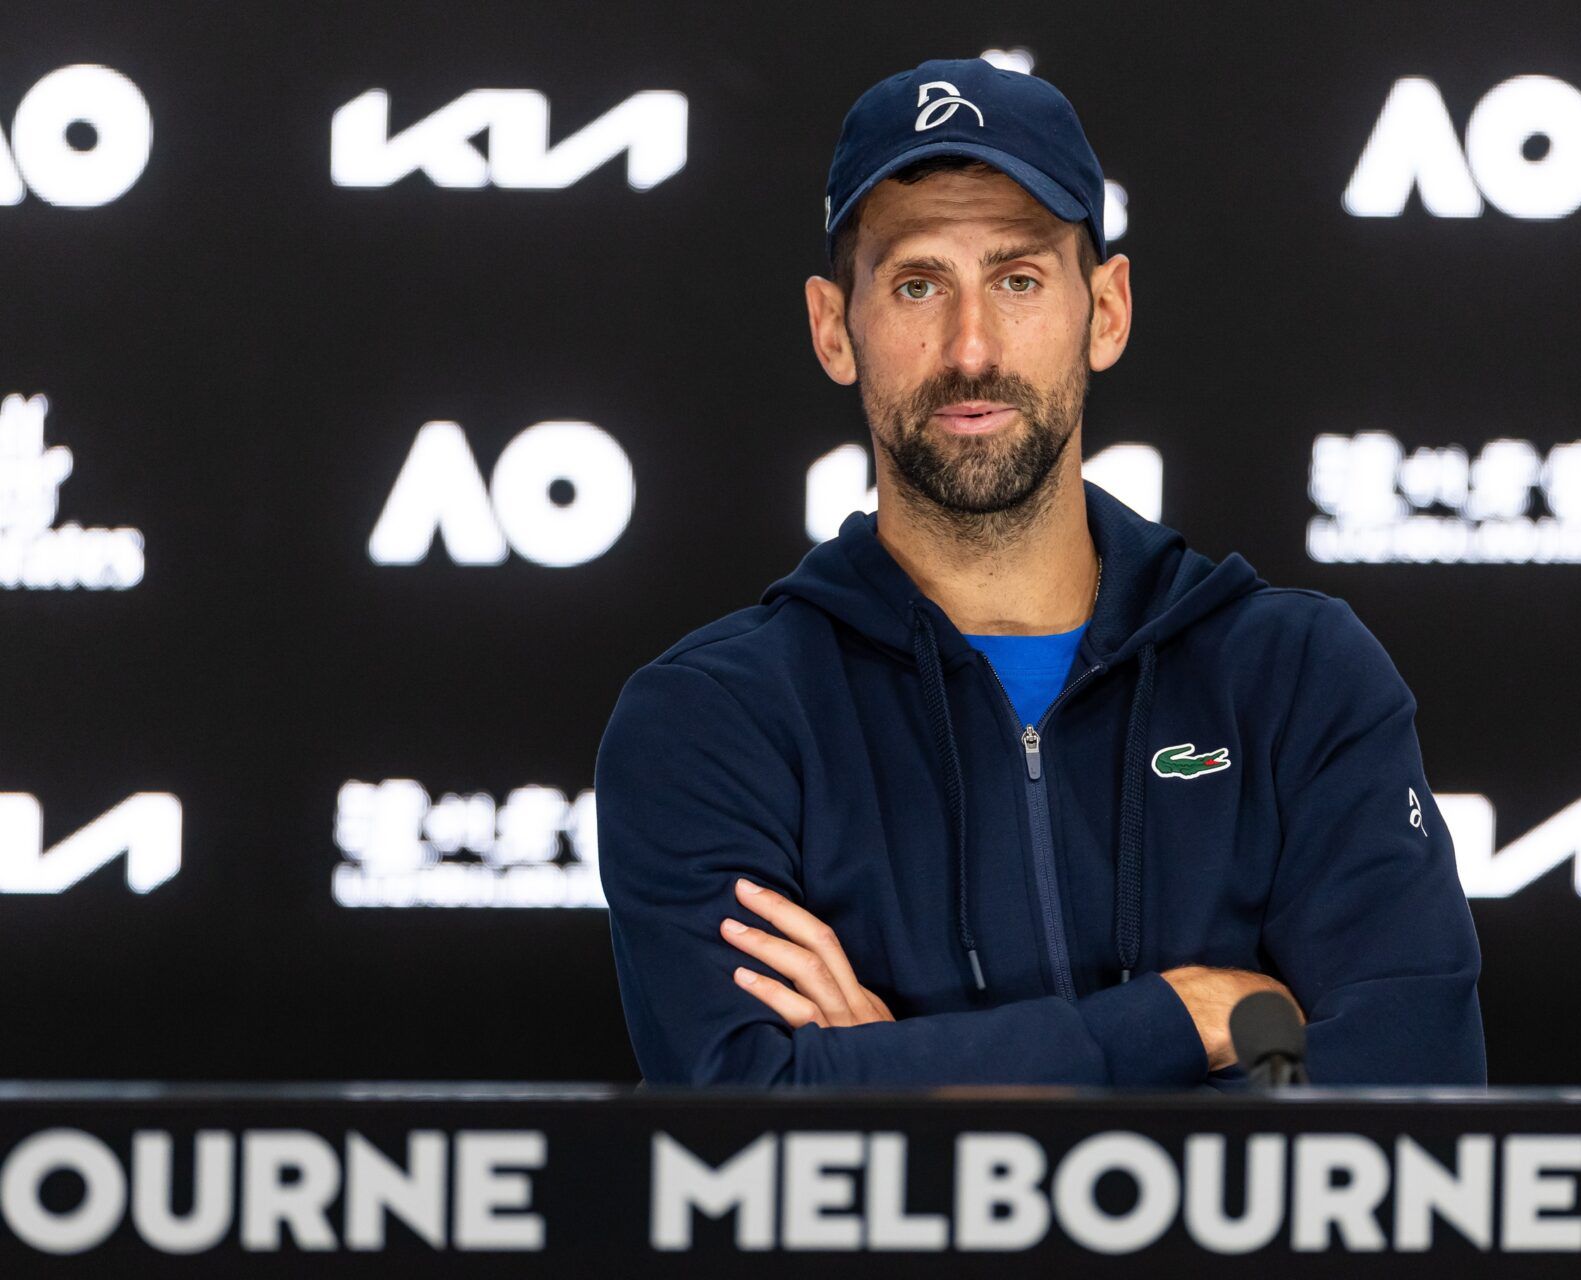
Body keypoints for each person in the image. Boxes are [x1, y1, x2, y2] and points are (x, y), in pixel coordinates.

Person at [594, 57, 1485, 1088]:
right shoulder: (714, 719)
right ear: (834, 329)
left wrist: (893, 1076)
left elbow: (1412, 1112)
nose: (971, 347)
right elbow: (747, 1132)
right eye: (918, 282)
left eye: (1018, 278)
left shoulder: (1297, 676)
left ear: (1106, 310)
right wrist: (1179, 1020)